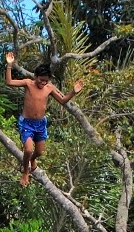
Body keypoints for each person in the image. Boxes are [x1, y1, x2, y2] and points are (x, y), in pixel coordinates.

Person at [5, 52, 83, 186]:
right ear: (36, 76)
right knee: (28, 150)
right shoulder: (28, 83)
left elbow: (63, 100)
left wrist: (73, 92)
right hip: (27, 123)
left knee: (39, 152)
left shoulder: (49, 88)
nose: (43, 82)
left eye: (46, 80)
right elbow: (9, 82)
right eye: (41, 79)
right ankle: (25, 172)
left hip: (40, 124)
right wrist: (9, 65)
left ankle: (32, 160)